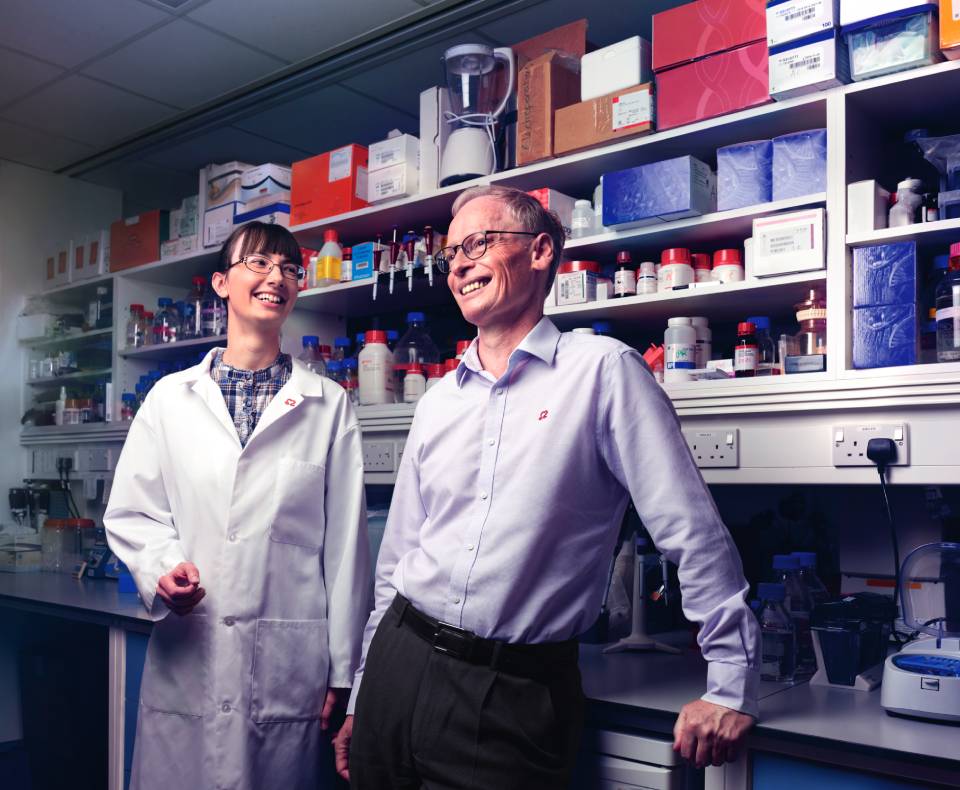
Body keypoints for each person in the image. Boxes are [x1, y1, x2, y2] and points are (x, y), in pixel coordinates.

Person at [334, 186, 759, 788]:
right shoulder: (437, 403)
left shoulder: (603, 372)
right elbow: (397, 560)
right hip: (396, 667)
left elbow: (689, 532)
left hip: (510, 692)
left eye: (478, 243)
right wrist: (361, 694)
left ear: (539, 252)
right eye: (450, 253)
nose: (457, 263)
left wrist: (731, 685)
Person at [105, 221, 370, 790]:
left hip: (286, 668)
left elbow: (346, 552)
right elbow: (133, 512)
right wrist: (160, 569)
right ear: (221, 284)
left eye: (290, 269)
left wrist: (345, 672)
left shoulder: (328, 405)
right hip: (190, 655)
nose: (277, 277)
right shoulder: (170, 400)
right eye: (259, 264)